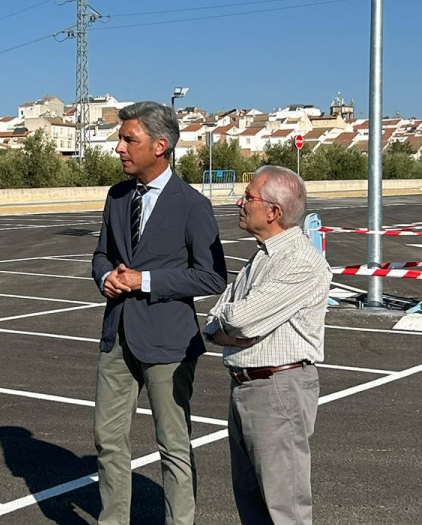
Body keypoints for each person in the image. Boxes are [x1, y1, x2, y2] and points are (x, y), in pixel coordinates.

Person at [91, 101, 228, 525]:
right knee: (107, 440)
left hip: (169, 342)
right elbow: (101, 255)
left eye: (129, 139)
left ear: (161, 145)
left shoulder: (191, 205)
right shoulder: (117, 197)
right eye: (120, 138)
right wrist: (106, 278)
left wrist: (143, 281)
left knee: (173, 445)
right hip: (118, 338)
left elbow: (211, 277)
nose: (118, 148)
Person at [203, 165, 332, 525]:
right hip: (246, 385)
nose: (240, 202)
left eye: (248, 197)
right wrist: (234, 326)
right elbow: (217, 320)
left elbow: (240, 319)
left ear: (273, 211)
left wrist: (234, 324)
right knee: (251, 501)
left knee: (283, 506)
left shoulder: (301, 261)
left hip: (278, 389)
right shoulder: (261, 256)